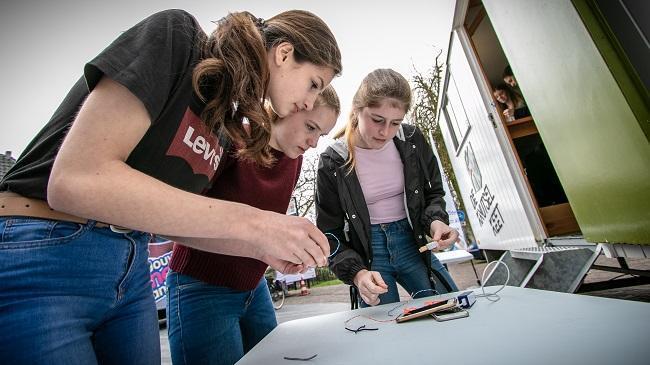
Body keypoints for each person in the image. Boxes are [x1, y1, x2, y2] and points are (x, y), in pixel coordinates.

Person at [0, 9, 341, 364]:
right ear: (284, 54)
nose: (310, 102)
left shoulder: (224, 120)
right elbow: (74, 180)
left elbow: (176, 225)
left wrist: (260, 248)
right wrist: (257, 224)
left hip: (129, 266)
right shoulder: (179, 37)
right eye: (314, 84)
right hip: (44, 250)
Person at [166, 86, 340, 365]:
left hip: (254, 287)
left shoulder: (293, 160)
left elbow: (262, 232)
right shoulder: (233, 139)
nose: (313, 142)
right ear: (289, 106)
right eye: (311, 127)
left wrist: (280, 256)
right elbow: (180, 218)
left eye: (321, 135)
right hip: (201, 287)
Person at [315, 69, 459, 308]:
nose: (385, 132)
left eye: (396, 123)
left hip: (413, 244)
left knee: (448, 307)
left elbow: (433, 193)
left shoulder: (412, 140)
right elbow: (330, 233)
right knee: (381, 327)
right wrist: (357, 273)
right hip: (370, 255)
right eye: (377, 120)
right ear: (357, 110)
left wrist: (436, 222)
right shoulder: (333, 161)